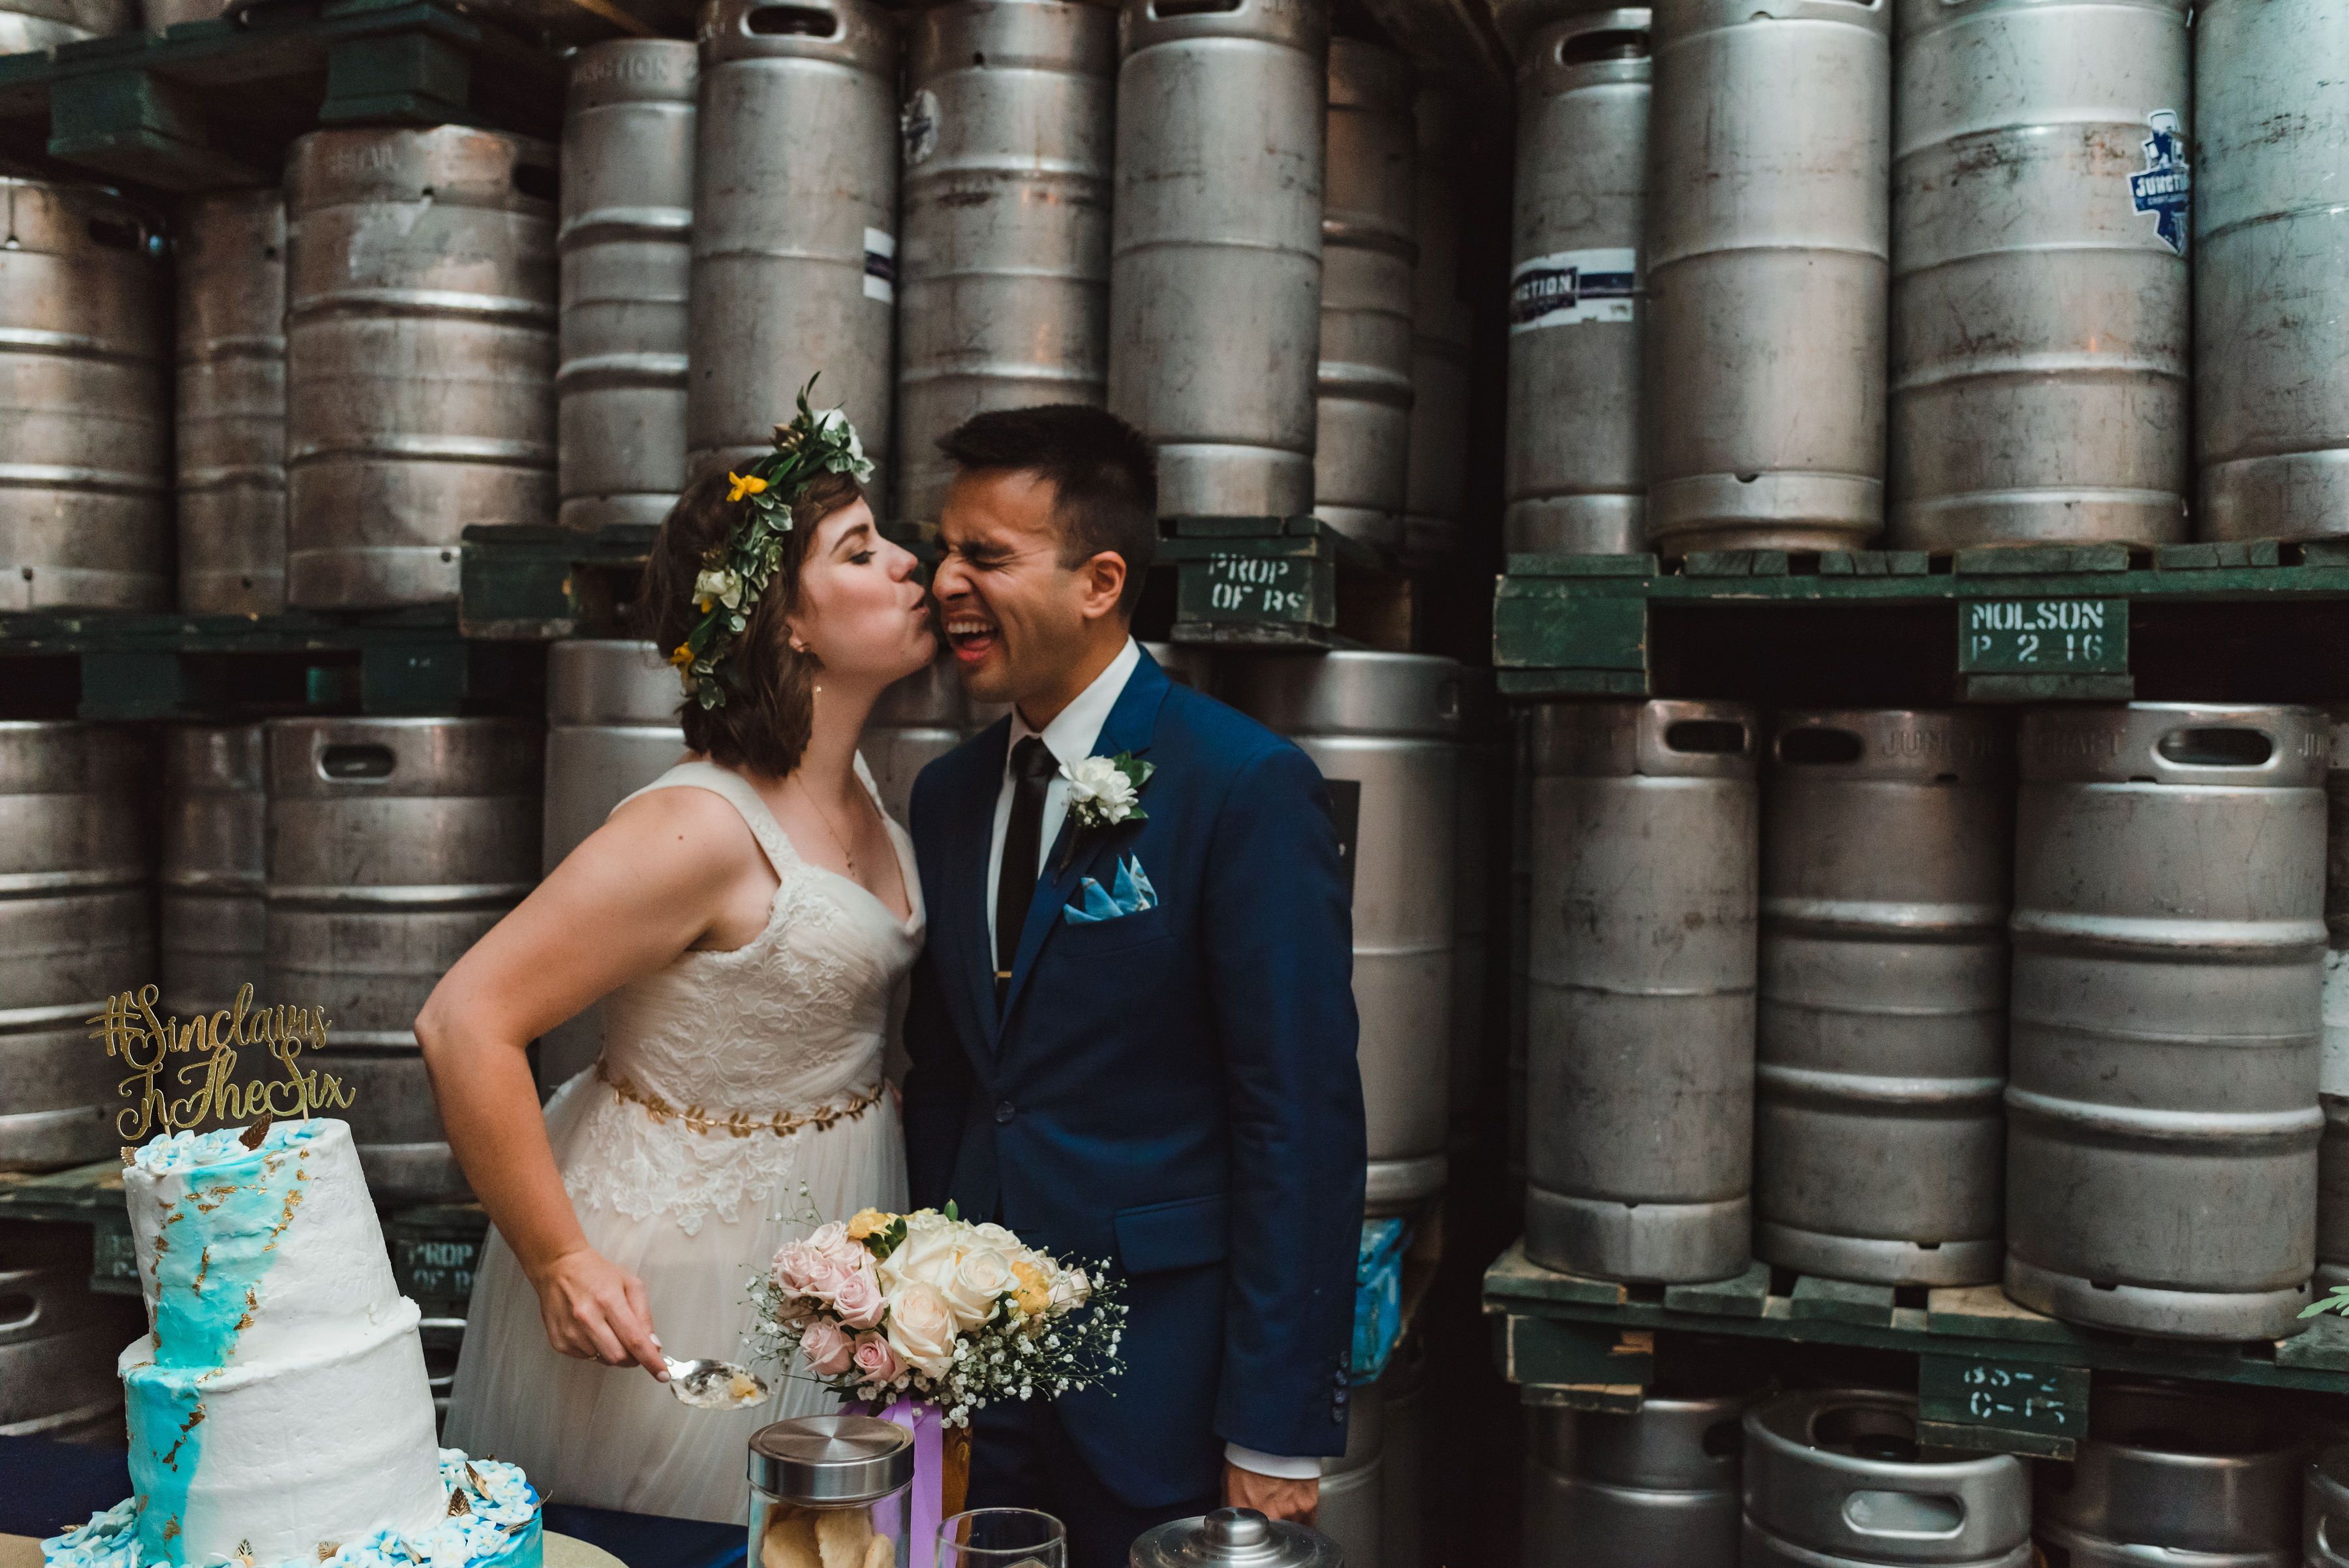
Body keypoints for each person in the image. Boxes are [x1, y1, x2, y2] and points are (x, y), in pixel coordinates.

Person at [420, 397, 935, 1522]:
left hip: (831, 1236)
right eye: (861, 550)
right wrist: (560, 1261)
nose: (910, 564)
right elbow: (465, 1022)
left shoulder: (862, 795)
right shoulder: (696, 831)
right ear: (784, 624)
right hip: (689, 1262)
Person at [900, 405, 1367, 1568]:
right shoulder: (948, 796)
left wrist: (1278, 1425)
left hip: (1163, 1388)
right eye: (944, 549)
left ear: (1102, 579)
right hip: (977, 1385)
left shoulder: (1244, 787)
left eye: (987, 557)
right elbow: (954, 1082)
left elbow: (1298, 1121)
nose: (945, 583)